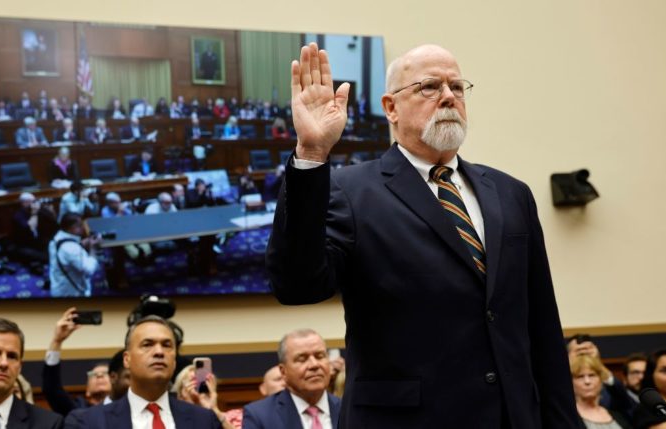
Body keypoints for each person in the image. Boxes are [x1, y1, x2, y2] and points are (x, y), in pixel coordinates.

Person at [266, 42, 580, 428]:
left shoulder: (511, 193)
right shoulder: (350, 191)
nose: (448, 96)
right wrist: (312, 153)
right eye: (429, 87)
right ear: (391, 107)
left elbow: (542, 325)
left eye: (457, 87)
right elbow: (297, 286)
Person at [66, 315, 222, 429]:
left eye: (167, 345)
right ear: (127, 359)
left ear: (174, 361)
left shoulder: (204, 420)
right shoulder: (88, 422)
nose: (159, 352)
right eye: (148, 344)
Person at [243, 329, 341, 429]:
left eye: (320, 356)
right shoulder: (259, 416)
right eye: (302, 359)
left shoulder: (348, 410)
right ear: (283, 371)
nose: (314, 365)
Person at [43, 308, 112, 417]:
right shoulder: (77, 410)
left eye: (105, 373)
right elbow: (52, 389)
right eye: (93, 374)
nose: (99, 375)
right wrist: (57, 341)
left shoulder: (126, 410)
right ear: (87, 391)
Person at [571, 355, 632, 429]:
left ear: (601, 379)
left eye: (592, 375)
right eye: (580, 376)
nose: (587, 381)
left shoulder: (616, 412)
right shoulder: (568, 416)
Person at [49, 213, 100, 298]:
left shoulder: (55, 239)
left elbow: (66, 253)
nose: (83, 228)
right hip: (70, 293)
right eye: (80, 226)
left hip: (57, 285)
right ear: (71, 228)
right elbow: (89, 269)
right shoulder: (71, 249)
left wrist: (80, 244)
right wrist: (93, 248)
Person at [172, 365, 236, 428]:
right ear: (180, 393)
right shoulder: (170, 419)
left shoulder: (232, 417)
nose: (196, 386)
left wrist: (214, 410)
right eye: (192, 382)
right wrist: (188, 407)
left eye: (200, 382)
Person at [10, 192, 57, 275]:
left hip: (38, 243)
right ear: (23, 203)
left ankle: (37, 262)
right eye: (31, 202)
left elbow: (53, 222)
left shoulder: (37, 210)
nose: (33, 204)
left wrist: (48, 210)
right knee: (43, 256)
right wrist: (34, 214)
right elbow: (29, 228)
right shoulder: (18, 215)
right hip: (24, 245)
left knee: (53, 248)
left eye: (34, 201)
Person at [102, 192, 153, 263]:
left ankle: (146, 255)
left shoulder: (123, 208)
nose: (119, 204)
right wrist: (119, 212)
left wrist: (133, 210)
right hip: (118, 235)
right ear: (110, 203)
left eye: (119, 202)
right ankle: (138, 258)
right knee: (133, 251)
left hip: (130, 231)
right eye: (116, 203)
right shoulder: (105, 211)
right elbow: (111, 226)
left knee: (145, 246)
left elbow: (133, 219)